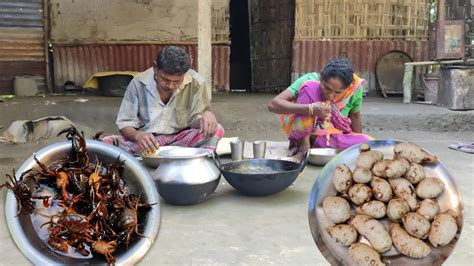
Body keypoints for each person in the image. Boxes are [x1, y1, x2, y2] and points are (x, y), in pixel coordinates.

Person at [102, 46, 224, 155]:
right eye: (165, 79)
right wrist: (138, 135)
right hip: (148, 143)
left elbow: (195, 121)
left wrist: (206, 117)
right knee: (107, 143)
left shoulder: (196, 82)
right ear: (155, 68)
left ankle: (193, 160)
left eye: (177, 81)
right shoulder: (138, 82)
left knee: (216, 130)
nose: (171, 86)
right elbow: (125, 124)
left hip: (180, 141)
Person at [267, 58, 372, 159]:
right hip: (305, 133)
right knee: (310, 87)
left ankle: (320, 146)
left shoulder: (354, 89)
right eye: (326, 88)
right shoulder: (310, 80)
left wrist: (357, 141)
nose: (330, 96)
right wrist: (310, 108)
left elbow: (355, 116)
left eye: (337, 92)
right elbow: (273, 105)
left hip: (332, 137)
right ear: (321, 77)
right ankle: (303, 147)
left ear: (349, 86)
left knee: (369, 143)